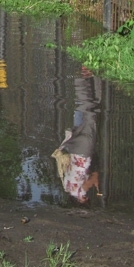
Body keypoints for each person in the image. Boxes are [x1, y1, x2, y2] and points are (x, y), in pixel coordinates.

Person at [51, 67, 101, 204]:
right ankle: (84, 79)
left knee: (91, 115)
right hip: (72, 148)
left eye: (86, 198)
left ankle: (84, 78)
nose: (86, 196)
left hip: (84, 150)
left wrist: (95, 182)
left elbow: (94, 178)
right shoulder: (66, 186)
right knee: (80, 114)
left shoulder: (80, 191)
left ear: (81, 199)